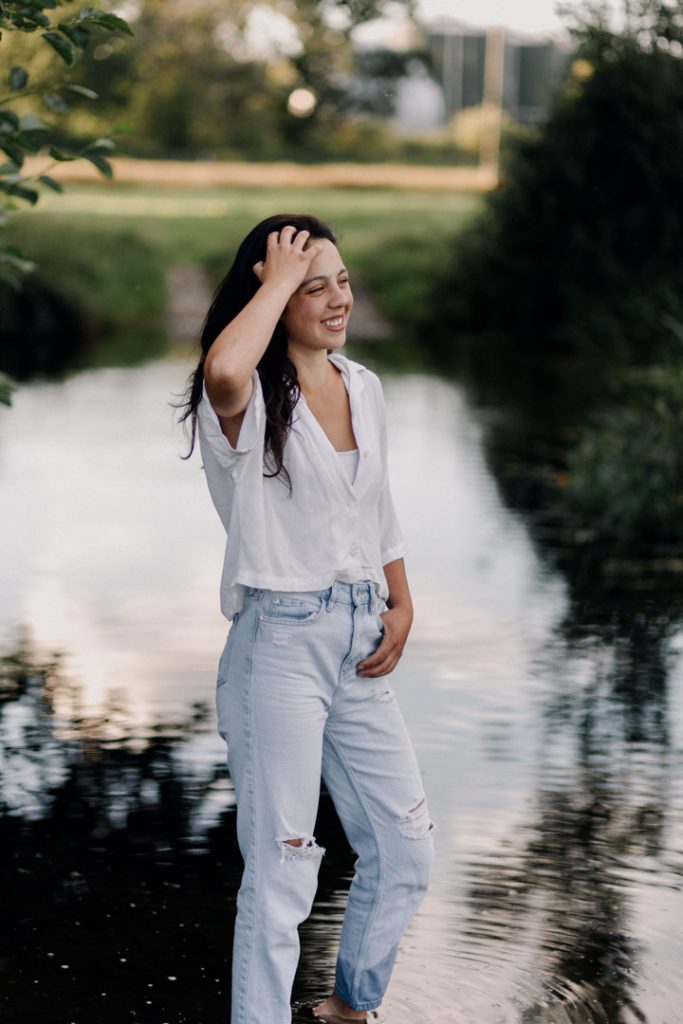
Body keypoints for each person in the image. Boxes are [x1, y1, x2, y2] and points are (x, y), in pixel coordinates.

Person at [177, 214, 434, 1024]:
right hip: (278, 646)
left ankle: (347, 1009)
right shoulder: (245, 399)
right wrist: (278, 276)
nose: (336, 299)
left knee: (404, 850)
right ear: (273, 296)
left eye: (341, 281)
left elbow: (376, 509)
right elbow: (222, 364)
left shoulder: (363, 387)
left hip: (360, 636)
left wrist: (401, 597)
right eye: (311, 285)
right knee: (285, 866)